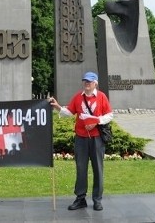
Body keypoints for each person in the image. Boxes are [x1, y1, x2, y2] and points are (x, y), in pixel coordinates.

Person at [48, 71, 113, 212]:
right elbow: (70, 112)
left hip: (96, 139)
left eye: (89, 81)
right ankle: (80, 198)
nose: (86, 83)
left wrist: (97, 122)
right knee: (81, 168)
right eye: (85, 81)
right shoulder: (78, 97)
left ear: (95, 83)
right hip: (81, 139)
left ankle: (97, 200)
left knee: (98, 169)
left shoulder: (102, 97)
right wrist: (58, 107)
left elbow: (109, 115)